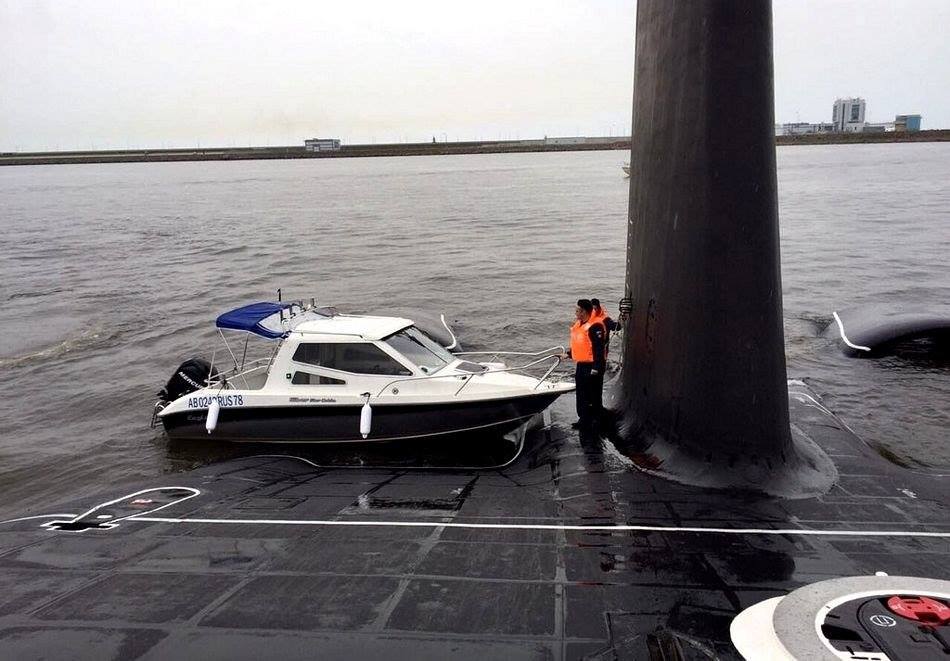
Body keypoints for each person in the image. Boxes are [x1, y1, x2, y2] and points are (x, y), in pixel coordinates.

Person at [561, 299, 606, 429]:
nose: (575, 313)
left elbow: (598, 349)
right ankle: (584, 419)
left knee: (593, 394)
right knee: (581, 393)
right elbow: (581, 344)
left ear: (583, 312)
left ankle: (596, 420)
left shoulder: (595, 326)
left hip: (592, 365)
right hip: (581, 365)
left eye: (577, 311)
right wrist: (569, 354)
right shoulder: (579, 325)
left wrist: (596, 368)